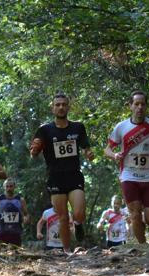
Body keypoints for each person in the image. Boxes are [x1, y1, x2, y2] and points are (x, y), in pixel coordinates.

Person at [30, 93, 94, 254]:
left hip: (74, 175)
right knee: (63, 218)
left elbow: (86, 147)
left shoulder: (78, 127)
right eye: (57, 104)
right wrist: (35, 150)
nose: (61, 107)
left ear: (68, 107)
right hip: (55, 177)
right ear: (52, 108)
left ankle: (78, 224)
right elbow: (34, 152)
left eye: (64, 104)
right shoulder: (44, 129)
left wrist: (89, 154)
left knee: (78, 212)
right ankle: (66, 251)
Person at [104, 90, 149, 244]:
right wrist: (115, 155)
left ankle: (142, 231)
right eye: (136, 104)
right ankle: (143, 245)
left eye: (142, 104)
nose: (140, 107)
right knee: (135, 213)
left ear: (146, 106)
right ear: (130, 106)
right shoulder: (121, 127)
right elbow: (107, 149)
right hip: (129, 176)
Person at [0, 177, 30, 246]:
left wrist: (26, 218)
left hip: (16, 232)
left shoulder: (20, 200)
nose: (9, 188)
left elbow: (26, 214)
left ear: (14, 187)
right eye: (7, 186)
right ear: (4, 187)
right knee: (2, 251)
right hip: (2, 231)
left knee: (16, 252)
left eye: (11, 186)